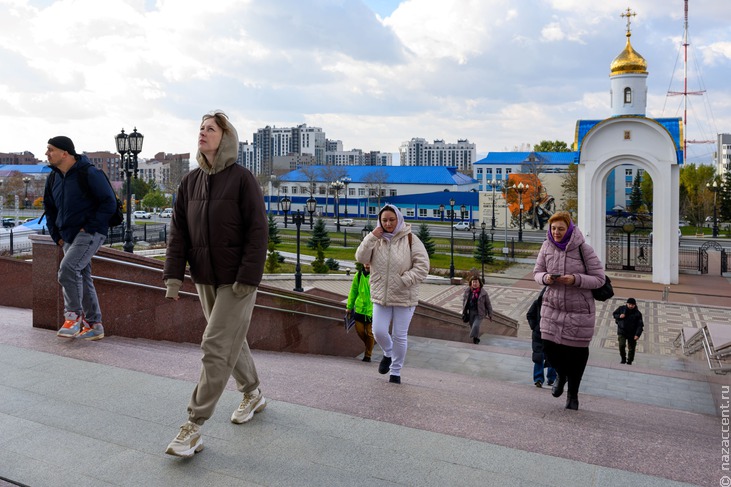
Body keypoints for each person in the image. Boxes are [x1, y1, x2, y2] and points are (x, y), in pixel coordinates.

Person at [163, 110, 268, 457]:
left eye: (210, 128)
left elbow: (257, 232)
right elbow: (178, 233)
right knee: (230, 342)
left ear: (225, 137)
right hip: (205, 278)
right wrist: (174, 276)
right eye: (200, 128)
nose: (202, 133)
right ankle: (252, 393)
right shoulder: (190, 182)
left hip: (237, 281)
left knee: (214, 345)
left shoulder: (242, 179)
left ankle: (193, 426)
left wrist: (248, 277)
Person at [43, 136, 118, 341]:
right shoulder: (54, 177)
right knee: (82, 277)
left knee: (67, 269)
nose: (46, 153)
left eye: (50, 149)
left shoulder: (89, 173)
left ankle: (73, 316)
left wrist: (89, 228)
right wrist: (55, 235)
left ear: (65, 153)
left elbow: (109, 203)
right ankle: (94, 325)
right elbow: (49, 208)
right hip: (67, 235)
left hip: (89, 233)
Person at [533, 211, 606, 410]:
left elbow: (600, 279)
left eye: (560, 229)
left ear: (570, 229)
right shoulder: (546, 246)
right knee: (549, 348)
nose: (556, 232)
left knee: (576, 355)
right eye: (553, 228)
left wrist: (575, 279)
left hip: (579, 310)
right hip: (551, 307)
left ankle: (573, 395)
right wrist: (546, 278)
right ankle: (561, 375)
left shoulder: (584, 249)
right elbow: (537, 272)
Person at [355, 204, 429, 384]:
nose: (388, 223)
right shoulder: (376, 239)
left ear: (399, 219)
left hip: (405, 295)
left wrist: (404, 280)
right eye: (384, 220)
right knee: (378, 331)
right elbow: (361, 258)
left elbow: (423, 267)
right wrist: (371, 237)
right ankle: (388, 353)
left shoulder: (411, 239)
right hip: (381, 293)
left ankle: (395, 371)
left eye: (391, 219)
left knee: (399, 335)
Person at [526, 287, 557, 388]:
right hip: (538, 335)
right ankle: (538, 379)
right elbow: (530, 315)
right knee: (538, 357)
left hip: (552, 335)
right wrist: (534, 326)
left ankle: (552, 378)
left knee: (552, 357)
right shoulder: (537, 303)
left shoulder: (556, 306)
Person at [347, 263, 374, 362]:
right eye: (365, 263)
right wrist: (349, 306)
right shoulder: (358, 276)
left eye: (369, 263)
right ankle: (369, 345)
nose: (367, 265)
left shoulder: (376, 276)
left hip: (372, 311)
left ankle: (368, 355)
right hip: (359, 309)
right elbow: (353, 291)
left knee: (370, 334)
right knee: (360, 332)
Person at [462, 276, 492, 344]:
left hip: (480, 313)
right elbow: (464, 302)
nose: (475, 284)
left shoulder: (483, 293)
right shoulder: (467, 291)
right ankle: (476, 338)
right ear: (471, 283)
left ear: (479, 283)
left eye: (476, 282)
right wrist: (464, 312)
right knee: (473, 326)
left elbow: (488, 304)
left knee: (476, 325)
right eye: (473, 282)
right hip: (470, 312)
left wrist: (490, 314)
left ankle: (472, 336)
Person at [613, 297, 644, 365]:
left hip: (632, 333)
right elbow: (614, 314)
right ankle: (623, 359)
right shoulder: (621, 309)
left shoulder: (638, 314)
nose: (630, 306)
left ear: (635, 305)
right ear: (627, 303)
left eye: (632, 305)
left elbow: (640, 325)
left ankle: (629, 361)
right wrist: (619, 316)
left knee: (631, 348)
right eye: (629, 304)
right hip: (622, 331)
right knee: (621, 345)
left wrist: (637, 334)